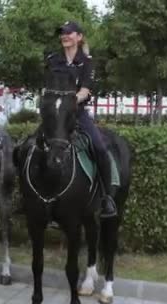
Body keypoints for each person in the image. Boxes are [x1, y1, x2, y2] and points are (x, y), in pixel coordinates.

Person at [45, 21, 116, 217]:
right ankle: (30, 196)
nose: (64, 36)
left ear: (79, 37)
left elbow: (85, 90)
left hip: (77, 112)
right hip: (55, 115)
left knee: (100, 148)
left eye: (68, 33)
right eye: (62, 33)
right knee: (29, 145)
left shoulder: (86, 62)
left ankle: (106, 198)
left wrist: (69, 100)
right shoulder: (52, 60)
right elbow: (48, 87)